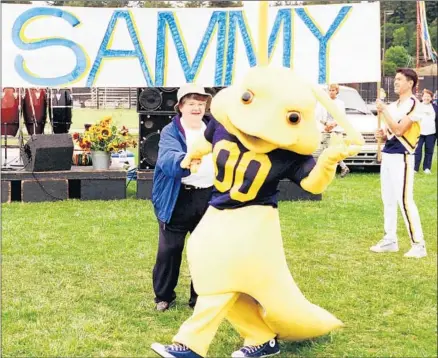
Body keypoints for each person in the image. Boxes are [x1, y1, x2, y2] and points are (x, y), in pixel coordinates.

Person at [151, 84, 215, 311]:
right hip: (176, 198)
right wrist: (186, 160)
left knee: (205, 250)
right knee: (170, 250)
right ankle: (163, 296)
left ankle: (198, 298)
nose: (197, 108)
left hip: (208, 197)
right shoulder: (170, 131)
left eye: (201, 103)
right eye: (191, 104)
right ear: (180, 107)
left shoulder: (214, 129)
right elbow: (168, 159)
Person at [370, 68, 426, 258]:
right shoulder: (393, 106)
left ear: (410, 83)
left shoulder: (414, 104)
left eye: (399, 79)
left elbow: (400, 130)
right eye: (395, 79)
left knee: (404, 199)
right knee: (388, 198)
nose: (395, 82)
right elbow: (390, 133)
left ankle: (418, 243)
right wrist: (382, 135)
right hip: (388, 154)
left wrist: (384, 110)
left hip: (403, 155)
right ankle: (390, 239)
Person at [318, 84, 350, 177]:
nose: (331, 92)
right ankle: (341, 167)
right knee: (325, 150)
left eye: (333, 90)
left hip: (336, 130)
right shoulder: (323, 102)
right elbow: (318, 116)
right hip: (325, 129)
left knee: (333, 150)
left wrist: (334, 124)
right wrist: (326, 124)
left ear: (337, 91)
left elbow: (341, 116)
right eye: (330, 90)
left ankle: (342, 167)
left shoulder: (340, 103)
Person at [414, 89, 437, 174]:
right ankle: (415, 168)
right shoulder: (417, 106)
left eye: (428, 96)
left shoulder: (435, 107)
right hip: (419, 132)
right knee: (417, 151)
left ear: (431, 98)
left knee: (429, 151)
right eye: (425, 96)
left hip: (431, 133)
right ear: (422, 97)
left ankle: (427, 168)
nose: (426, 98)